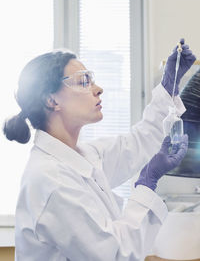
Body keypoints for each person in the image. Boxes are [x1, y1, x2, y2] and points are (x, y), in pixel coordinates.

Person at [3, 39, 195, 261]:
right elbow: (114, 255)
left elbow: (141, 141)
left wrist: (168, 84)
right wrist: (147, 181)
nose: (98, 89)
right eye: (84, 81)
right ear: (51, 100)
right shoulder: (50, 180)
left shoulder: (83, 157)